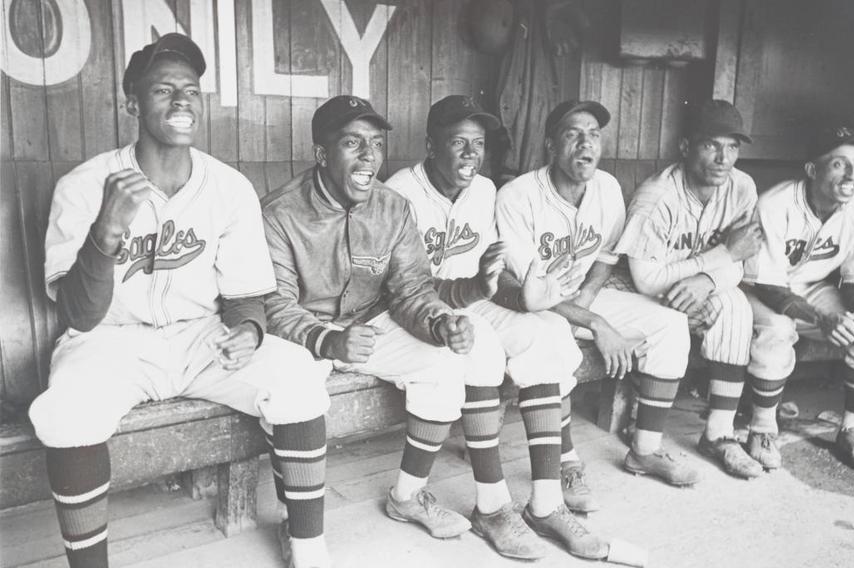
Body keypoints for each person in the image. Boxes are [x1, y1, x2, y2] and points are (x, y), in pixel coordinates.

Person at [28, 34, 333, 568]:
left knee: (299, 376)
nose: (181, 101)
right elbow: (79, 314)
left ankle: (308, 546)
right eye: (163, 90)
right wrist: (107, 230)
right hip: (109, 341)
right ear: (132, 104)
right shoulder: (83, 185)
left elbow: (245, 298)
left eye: (190, 90)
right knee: (65, 414)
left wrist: (250, 332)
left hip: (199, 338)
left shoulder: (229, 187)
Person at [385, 94, 631, 561]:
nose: (469, 155)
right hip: (417, 307)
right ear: (430, 145)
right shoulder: (401, 192)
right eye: (457, 142)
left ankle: (546, 503)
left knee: (549, 334)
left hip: (472, 300)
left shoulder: (483, 192)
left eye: (477, 144)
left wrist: (524, 299)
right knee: (480, 351)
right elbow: (400, 285)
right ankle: (493, 507)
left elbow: (492, 280)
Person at [261, 96, 507, 552]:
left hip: (369, 324)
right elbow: (276, 306)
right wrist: (328, 340)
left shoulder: (393, 207)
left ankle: (407, 497)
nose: (369, 155)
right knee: (291, 390)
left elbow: (412, 290)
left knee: (445, 364)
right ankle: (297, 528)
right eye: (353, 143)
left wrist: (441, 324)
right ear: (322, 154)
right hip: (305, 335)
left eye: (375, 143)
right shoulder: (280, 211)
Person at [496, 99, 699, 488]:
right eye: (572, 135)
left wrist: (588, 303)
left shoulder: (606, 187)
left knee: (670, 324)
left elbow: (607, 254)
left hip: (582, 297)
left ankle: (645, 450)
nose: (585, 144)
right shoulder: (517, 196)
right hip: (532, 304)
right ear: (551, 146)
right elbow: (531, 291)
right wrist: (595, 323)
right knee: (554, 340)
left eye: (593, 135)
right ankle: (566, 463)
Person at [613, 100, 766, 478]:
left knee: (735, 306)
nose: (723, 158)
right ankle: (645, 433)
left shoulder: (742, 187)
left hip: (695, 287)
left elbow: (744, 264)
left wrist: (709, 280)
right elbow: (646, 278)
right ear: (685, 147)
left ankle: (719, 434)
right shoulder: (656, 196)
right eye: (711, 145)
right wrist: (720, 257)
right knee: (670, 319)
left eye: (732, 147)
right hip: (636, 290)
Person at [743, 124, 854, 471]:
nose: (852, 174)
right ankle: (762, 428)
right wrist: (822, 319)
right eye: (839, 164)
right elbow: (768, 285)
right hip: (760, 289)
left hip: (812, 288)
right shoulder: (775, 203)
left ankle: (852, 430)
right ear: (813, 170)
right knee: (778, 331)